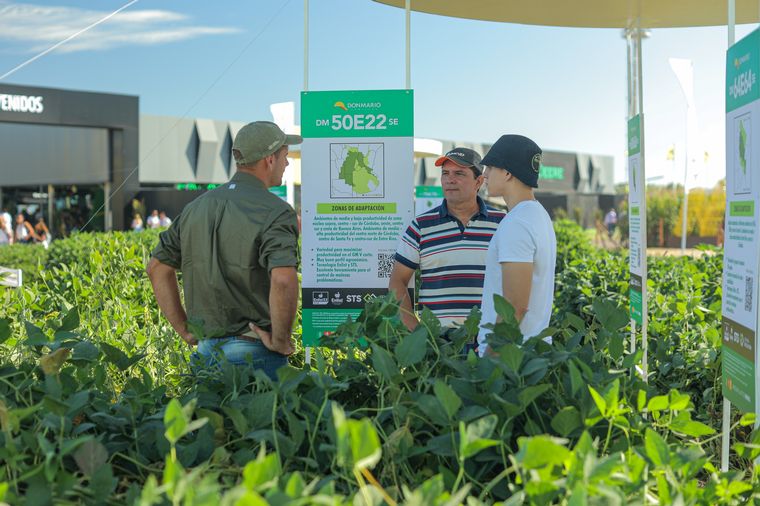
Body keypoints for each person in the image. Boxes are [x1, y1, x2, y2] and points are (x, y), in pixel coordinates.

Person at [146, 121, 301, 380]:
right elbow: (283, 279)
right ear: (270, 159)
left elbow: (156, 268)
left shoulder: (195, 207)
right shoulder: (276, 210)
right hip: (257, 355)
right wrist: (281, 341)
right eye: (285, 156)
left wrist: (185, 330)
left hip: (205, 353)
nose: (287, 163)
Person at [389, 148, 506, 349]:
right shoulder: (421, 226)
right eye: (445, 173)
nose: (449, 179)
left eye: (459, 174)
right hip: (439, 344)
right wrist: (419, 335)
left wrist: (499, 338)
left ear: (479, 182)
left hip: (489, 341)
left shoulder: (503, 224)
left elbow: (516, 285)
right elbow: (397, 281)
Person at [478, 135, 557, 357]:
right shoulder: (538, 215)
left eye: (490, 167)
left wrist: (488, 361)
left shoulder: (517, 223)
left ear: (507, 172)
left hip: (510, 359)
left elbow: (514, 307)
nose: (484, 175)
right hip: (530, 353)